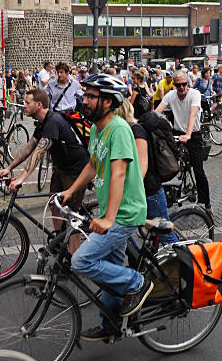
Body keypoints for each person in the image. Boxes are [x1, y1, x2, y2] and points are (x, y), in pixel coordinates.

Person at [59, 74, 152, 342]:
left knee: (82, 260)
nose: (84, 100)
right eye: (84, 95)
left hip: (124, 215)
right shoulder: (98, 130)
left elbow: (119, 173)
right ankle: (111, 324)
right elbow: (92, 164)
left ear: (108, 101)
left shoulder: (119, 129)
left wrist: (109, 218)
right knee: (110, 270)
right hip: (110, 213)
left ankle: (137, 283)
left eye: (90, 96)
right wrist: (71, 190)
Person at [0, 88, 89, 253]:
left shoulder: (53, 121)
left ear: (39, 105)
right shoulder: (43, 122)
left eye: (27, 102)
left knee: (73, 216)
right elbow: (29, 147)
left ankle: (73, 259)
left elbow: (38, 152)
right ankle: (60, 242)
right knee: (54, 205)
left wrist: (21, 178)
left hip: (76, 171)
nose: (23, 106)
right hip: (61, 169)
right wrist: (9, 168)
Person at [115, 100, 178, 245]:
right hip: (142, 190)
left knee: (167, 238)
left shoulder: (136, 131)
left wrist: (131, 193)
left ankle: (187, 265)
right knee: (119, 232)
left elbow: (141, 167)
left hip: (149, 191)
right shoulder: (124, 131)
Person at [155, 70, 214, 222]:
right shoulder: (171, 95)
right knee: (166, 163)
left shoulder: (194, 94)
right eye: (178, 85)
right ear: (173, 84)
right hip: (176, 132)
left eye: (184, 84)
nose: (181, 88)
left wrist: (188, 135)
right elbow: (157, 112)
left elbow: (193, 114)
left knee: (198, 170)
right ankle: (172, 194)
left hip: (193, 134)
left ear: (188, 83)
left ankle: (206, 204)